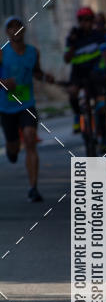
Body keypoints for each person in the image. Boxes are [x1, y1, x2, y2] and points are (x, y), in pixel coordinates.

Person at [0, 16, 54, 202]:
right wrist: (3, 83)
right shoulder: (2, 53)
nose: (15, 30)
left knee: (30, 139)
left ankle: (33, 188)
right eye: (11, 27)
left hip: (27, 105)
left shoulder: (33, 52)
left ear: (23, 30)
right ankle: (11, 151)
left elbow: (36, 72)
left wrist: (46, 77)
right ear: (7, 32)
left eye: (18, 27)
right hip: (6, 108)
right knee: (14, 147)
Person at [64, 6, 106, 136]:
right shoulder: (73, 37)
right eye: (82, 20)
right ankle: (77, 116)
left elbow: (105, 53)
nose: (85, 23)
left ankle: (103, 138)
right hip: (78, 73)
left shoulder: (98, 36)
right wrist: (72, 44)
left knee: (101, 106)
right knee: (72, 92)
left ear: (92, 21)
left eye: (88, 19)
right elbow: (67, 59)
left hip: (95, 72)